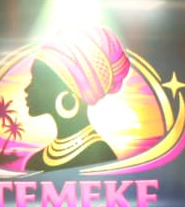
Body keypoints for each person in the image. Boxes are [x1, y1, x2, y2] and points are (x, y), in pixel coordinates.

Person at [24, 27, 130, 171]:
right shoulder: (34, 162)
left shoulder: (103, 158)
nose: (27, 88)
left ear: (67, 93)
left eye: (37, 81)